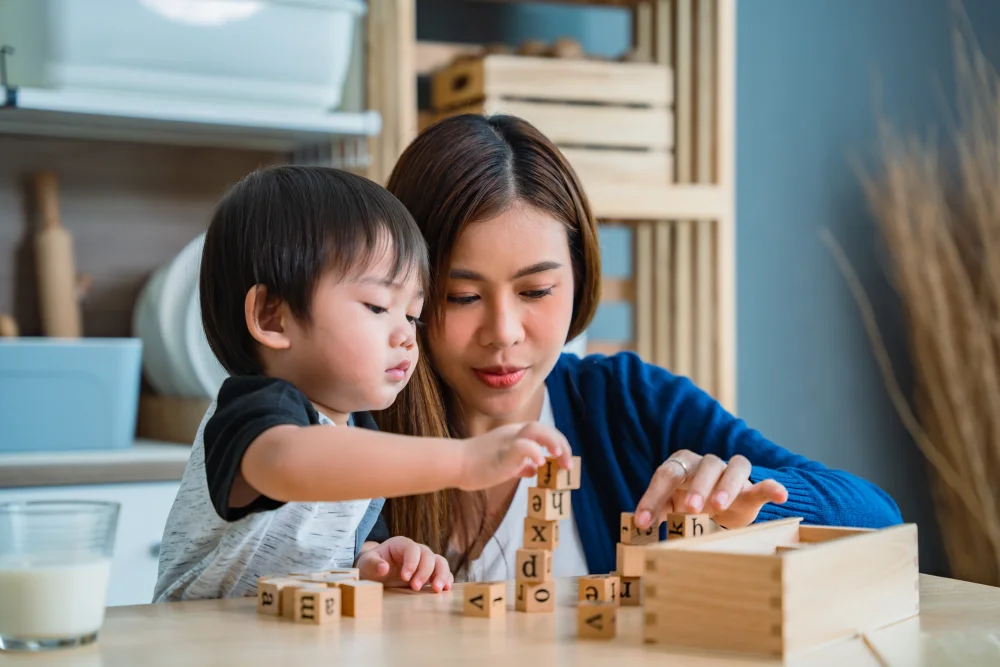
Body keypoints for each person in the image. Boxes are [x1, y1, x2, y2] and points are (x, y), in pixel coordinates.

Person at [368, 114, 904, 582]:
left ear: (579, 277)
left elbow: (880, 518)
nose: (504, 331)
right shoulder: (351, 424)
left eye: (536, 291)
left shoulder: (625, 403)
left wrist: (752, 501)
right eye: (461, 296)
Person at [152, 165, 572, 602]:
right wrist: (464, 461)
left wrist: (374, 559)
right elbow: (291, 463)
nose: (407, 335)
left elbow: (326, 547)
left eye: (412, 314)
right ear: (271, 316)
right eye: (377, 307)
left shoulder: (358, 431)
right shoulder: (251, 409)